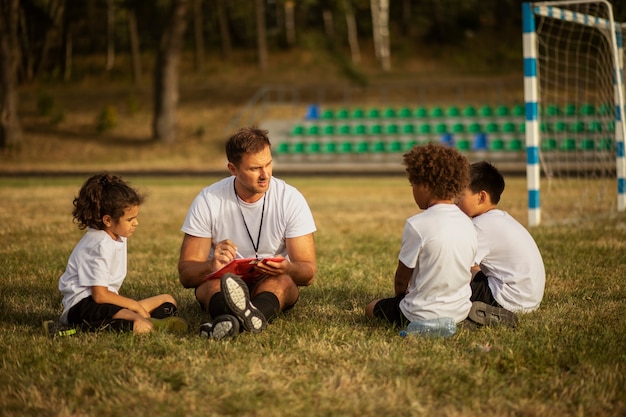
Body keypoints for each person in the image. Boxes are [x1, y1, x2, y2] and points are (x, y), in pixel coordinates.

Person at [178, 126, 317, 340]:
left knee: (283, 281)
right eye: (254, 168)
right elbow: (187, 275)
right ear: (233, 169)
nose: (265, 174)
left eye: (268, 164)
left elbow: (308, 272)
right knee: (214, 284)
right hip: (224, 281)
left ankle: (229, 321)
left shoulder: (290, 198)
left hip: (270, 282)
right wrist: (211, 266)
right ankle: (254, 319)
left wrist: (288, 267)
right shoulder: (209, 199)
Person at [47, 172, 187, 337]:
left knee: (168, 300)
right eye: (130, 220)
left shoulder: (117, 234)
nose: (136, 223)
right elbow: (100, 296)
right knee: (139, 324)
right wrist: (135, 306)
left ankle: (147, 323)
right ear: (107, 220)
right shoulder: (99, 244)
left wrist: (134, 308)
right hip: (83, 307)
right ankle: (71, 331)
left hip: (104, 303)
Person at [365, 142, 477, 330]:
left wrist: (400, 297)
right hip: (461, 311)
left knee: (371, 308)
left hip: (419, 314)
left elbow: (402, 277)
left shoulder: (417, 224)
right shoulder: (468, 223)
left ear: (425, 186)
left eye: (413, 184)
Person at [457, 161, 545, 326]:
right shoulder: (497, 219)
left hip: (507, 301)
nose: (455, 200)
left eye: (460, 194)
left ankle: (480, 312)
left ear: (481, 197)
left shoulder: (480, 226)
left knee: (450, 277)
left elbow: (458, 266)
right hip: (527, 299)